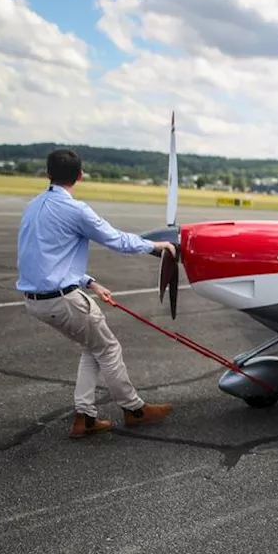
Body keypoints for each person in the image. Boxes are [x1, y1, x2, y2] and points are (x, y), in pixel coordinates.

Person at [16, 148, 175, 438]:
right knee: (108, 348)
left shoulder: (33, 207)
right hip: (62, 300)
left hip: (37, 300)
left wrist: (90, 282)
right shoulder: (76, 210)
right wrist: (156, 246)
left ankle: (85, 417)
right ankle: (134, 409)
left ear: (47, 174)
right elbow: (117, 240)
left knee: (94, 347)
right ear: (80, 175)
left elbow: (44, 258)